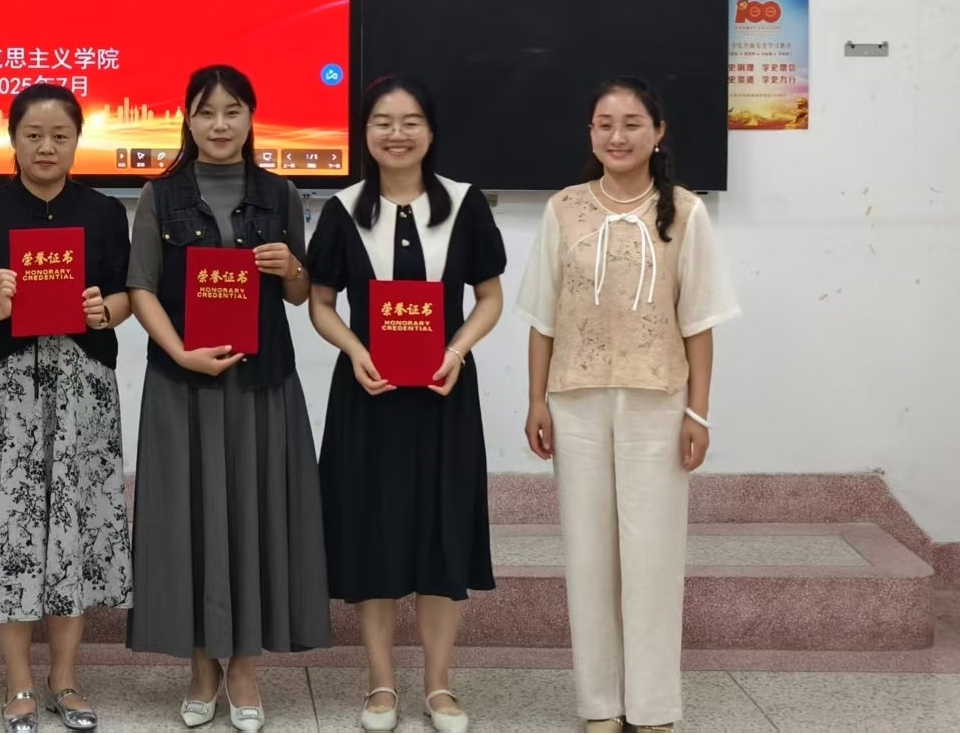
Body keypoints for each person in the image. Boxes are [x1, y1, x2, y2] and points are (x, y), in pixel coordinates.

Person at [516, 77, 740, 734]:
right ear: (590, 133)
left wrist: (697, 412)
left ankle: (652, 707)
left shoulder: (686, 213)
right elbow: (542, 318)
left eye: (632, 123)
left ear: (657, 133)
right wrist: (535, 400)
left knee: (653, 557)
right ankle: (599, 705)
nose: (617, 136)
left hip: (657, 401)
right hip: (575, 400)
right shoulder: (563, 209)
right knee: (587, 557)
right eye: (604, 124)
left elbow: (699, 323)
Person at [125, 66, 329, 734]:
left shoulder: (280, 193)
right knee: (187, 522)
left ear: (250, 118)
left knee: (251, 518)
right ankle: (198, 664)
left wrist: (291, 268)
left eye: (232, 111)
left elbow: (299, 294)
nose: (219, 124)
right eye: (206, 112)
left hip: (260, 384)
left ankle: (242, 665)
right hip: (181, 384)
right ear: (186, 119)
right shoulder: (159, 195)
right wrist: (179, 350)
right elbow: (142, 287)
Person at [307, 75, 506, 734]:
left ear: (430, 130)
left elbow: (489, 298)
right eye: (382, 123)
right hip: (367, 395)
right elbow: (320, 303)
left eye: (410, 121)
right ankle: (380, 684)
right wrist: (353, 349)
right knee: (374, 534)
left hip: (444, 393)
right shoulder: (342, 210)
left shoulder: (464, 204)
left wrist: (457, 350)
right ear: (364, 133)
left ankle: (440, 687)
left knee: (442, 536)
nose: (396, 134)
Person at [0, 84, 133, 734]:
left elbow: (127, 296)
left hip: (82, 390)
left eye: (60, 135)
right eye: (33, 135)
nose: (46, 147)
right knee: (14, 534)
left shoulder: (104, 212)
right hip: (6, 392)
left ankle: (65, 680)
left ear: (77, 141)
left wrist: (106, 310)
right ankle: (19, 681)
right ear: (12, 139)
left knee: (72, 530)